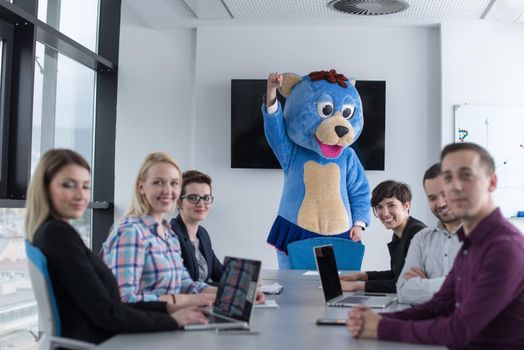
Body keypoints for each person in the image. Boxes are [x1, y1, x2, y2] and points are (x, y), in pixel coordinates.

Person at [347, 142, 524, 349]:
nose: (452, 191)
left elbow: (458, 330)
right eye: (448, 180)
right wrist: (379, 320)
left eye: (465, 176)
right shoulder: (471, 243)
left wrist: (381, 328)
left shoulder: (504, 248)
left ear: (491, 182)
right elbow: (438, 305)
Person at [26, 149, 207, 344]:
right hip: (106, 342)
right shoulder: (57, 236)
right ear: (45, 187)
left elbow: (110, 306)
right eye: (68, 185)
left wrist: (169, 309)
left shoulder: (53, 232)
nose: (81, 195)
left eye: (86, 186)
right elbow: (107, 311)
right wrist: (172, 319)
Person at [103, 152, 217, 307]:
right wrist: (186, 301)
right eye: (158, 183)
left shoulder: (168, 234)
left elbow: (185, 285)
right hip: (142, 328)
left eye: (174, 183)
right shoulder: (131, 233)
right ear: (141, 187)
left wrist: (233, 296)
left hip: (169, 322)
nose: (167, 190)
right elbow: (123, 299)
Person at [340, 180, 426, 293]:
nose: (385, 213)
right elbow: (397, 275)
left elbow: (406, 284)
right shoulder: (401, 233)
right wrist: (361, 276)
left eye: (391, 205)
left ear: (406, 205)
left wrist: (356, 286)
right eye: (380, 207)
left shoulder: (416, 233)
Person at [396, 163, 462, 305]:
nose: (440, 203)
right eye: (432, 198)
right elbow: (402, 291)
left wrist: (425, 284)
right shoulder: (421, 238)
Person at [171, 170, 223, 284]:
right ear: (179, 202)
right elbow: (183, 286)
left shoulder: (202, 234)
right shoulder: (171, 234)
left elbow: (220, 273)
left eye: (206, 198)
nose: (201, 204)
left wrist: (248, 281)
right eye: (193, 198)